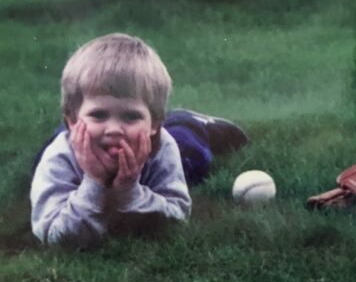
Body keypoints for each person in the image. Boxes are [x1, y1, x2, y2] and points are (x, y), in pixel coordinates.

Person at [30, 32, 247, 248]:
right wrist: (94, 183)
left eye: (131, 115)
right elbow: (55, 236)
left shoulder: (162, 146)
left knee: (190, 152)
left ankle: (192, 121)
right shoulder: (59, 157)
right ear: (73, 122)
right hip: (81, 138)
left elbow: (177, 219)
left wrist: (129, 191)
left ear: (154, 124)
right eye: (99, 114)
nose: (114, 130)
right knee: (57, 148)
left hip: (160, 139)